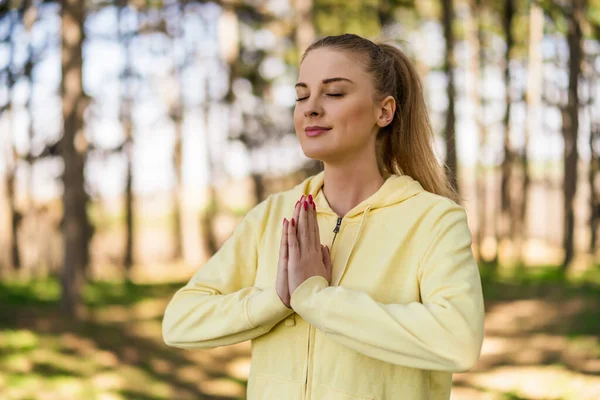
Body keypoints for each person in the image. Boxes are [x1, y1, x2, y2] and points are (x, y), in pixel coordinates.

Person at [162, 33, 485, 400]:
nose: (311, 108)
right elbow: (180, 321)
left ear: (385, 111)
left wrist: (315, 299)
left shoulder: (433, 221)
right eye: (302, 95)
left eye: (334, 93)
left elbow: (458, 340)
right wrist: (277, 300)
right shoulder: (272, 216)